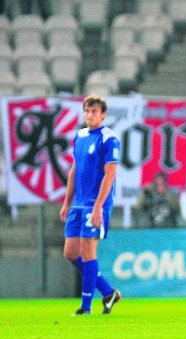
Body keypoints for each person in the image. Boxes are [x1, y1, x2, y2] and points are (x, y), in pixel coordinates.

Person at [59, 95, 122, 315]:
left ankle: (85, 307)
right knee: (70, 253)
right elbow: (74, 170)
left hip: (96, 204)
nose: (90, 115)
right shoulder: (80, 135)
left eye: (94, 111)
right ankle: (107, 292)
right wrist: (67, 202)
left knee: (88, 253)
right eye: (87, 111)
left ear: (103, 114)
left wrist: (98, 208)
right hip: (78, 204)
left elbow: (109, 175)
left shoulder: (109, 138)